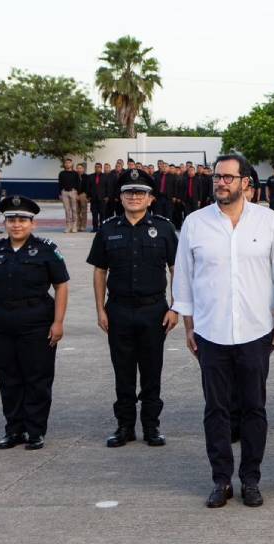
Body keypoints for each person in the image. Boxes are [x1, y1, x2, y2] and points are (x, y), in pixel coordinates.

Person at [172, 154, 274, 509]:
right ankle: (221, 480)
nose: (220, 183)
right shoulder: (195, 223)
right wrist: (189, 325)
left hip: (256, 331)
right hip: (210, 331)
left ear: (245, 183)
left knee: (254, 408)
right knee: (216, 410)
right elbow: (184, 278)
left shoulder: (268, 221)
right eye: (217, 177)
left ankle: (251, 479)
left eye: (228, 178)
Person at [86, 169, 180, 448]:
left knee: (152, 371)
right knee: (123, 371)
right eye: (129, 192)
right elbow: (100, 271)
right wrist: (100, 309)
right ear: (120, 197)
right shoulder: (108, 229)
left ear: (151, 199)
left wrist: (175, 307)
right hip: (119, 310)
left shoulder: (164, 228)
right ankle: (125, 426)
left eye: (140, 192)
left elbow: (177, 270)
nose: (134, 197)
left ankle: (151, 426)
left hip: (154, 311)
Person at [0, 196, 70, 450]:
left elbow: (61, 286)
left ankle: (35, 430)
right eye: (12, 220)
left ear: (33, 224)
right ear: (5, 223)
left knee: (37, 377)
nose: (17, 225)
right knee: (8, 378)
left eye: (22, 220)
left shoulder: (47, 249)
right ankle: (14, 429)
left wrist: (58, 322)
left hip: (36, 323)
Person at [57, 158, 80, 233]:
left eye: (69, 163)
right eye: (66, 163)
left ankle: (74, 226)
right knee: (67, 210)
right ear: (64, 164)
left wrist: (77, 192)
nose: (67, 164)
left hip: (73, 192)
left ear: (72, 164)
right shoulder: (61, 173)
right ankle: (68, 226)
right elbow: (59, 184)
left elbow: (78, 183)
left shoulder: (75, 173)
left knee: (74, 209)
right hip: (64, 192)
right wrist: (60, 193)